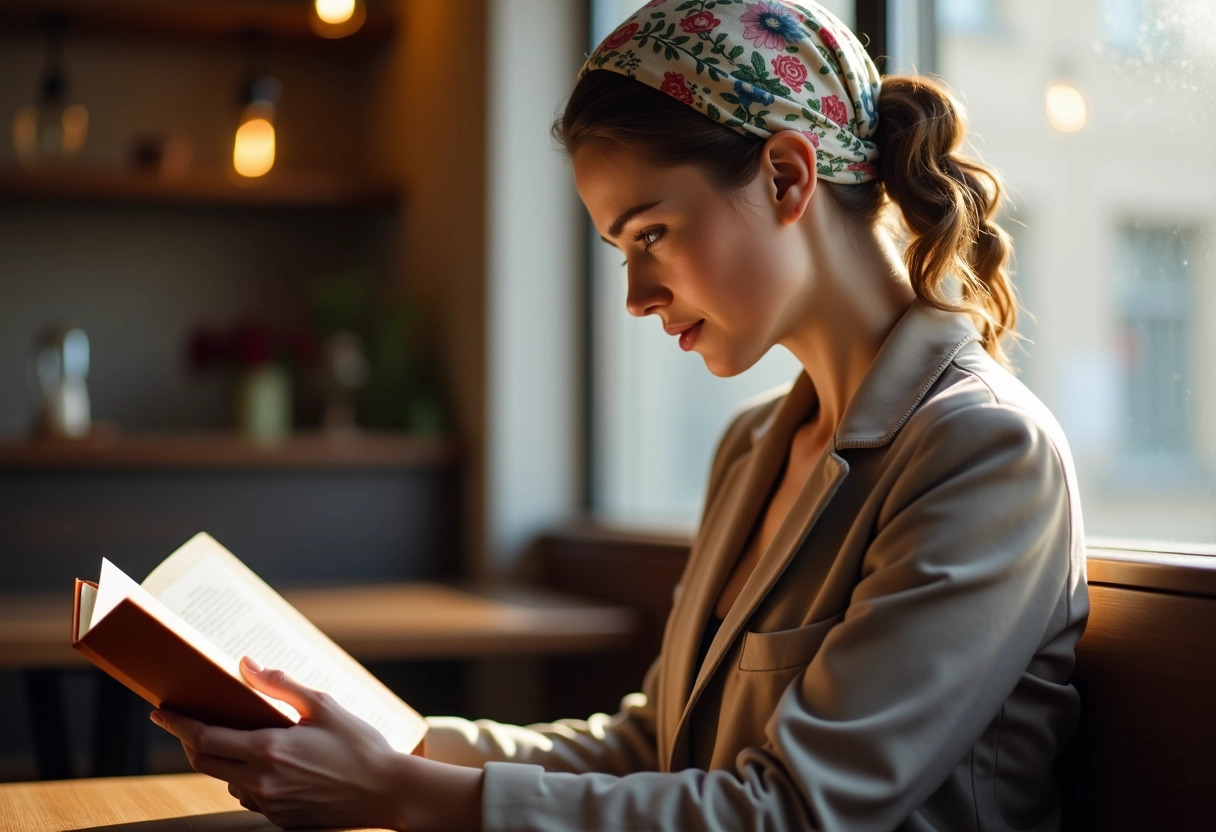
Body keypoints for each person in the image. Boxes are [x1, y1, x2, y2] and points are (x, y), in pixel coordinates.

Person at [151, 2, 1089, 829]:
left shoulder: (982, 450)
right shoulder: (757, 444)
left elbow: (797, 814)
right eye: (620, 248)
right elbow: (656, 746)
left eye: (652, 234)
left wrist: (398, 793)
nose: (637, 294)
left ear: (788, 177)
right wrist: (386, 741)